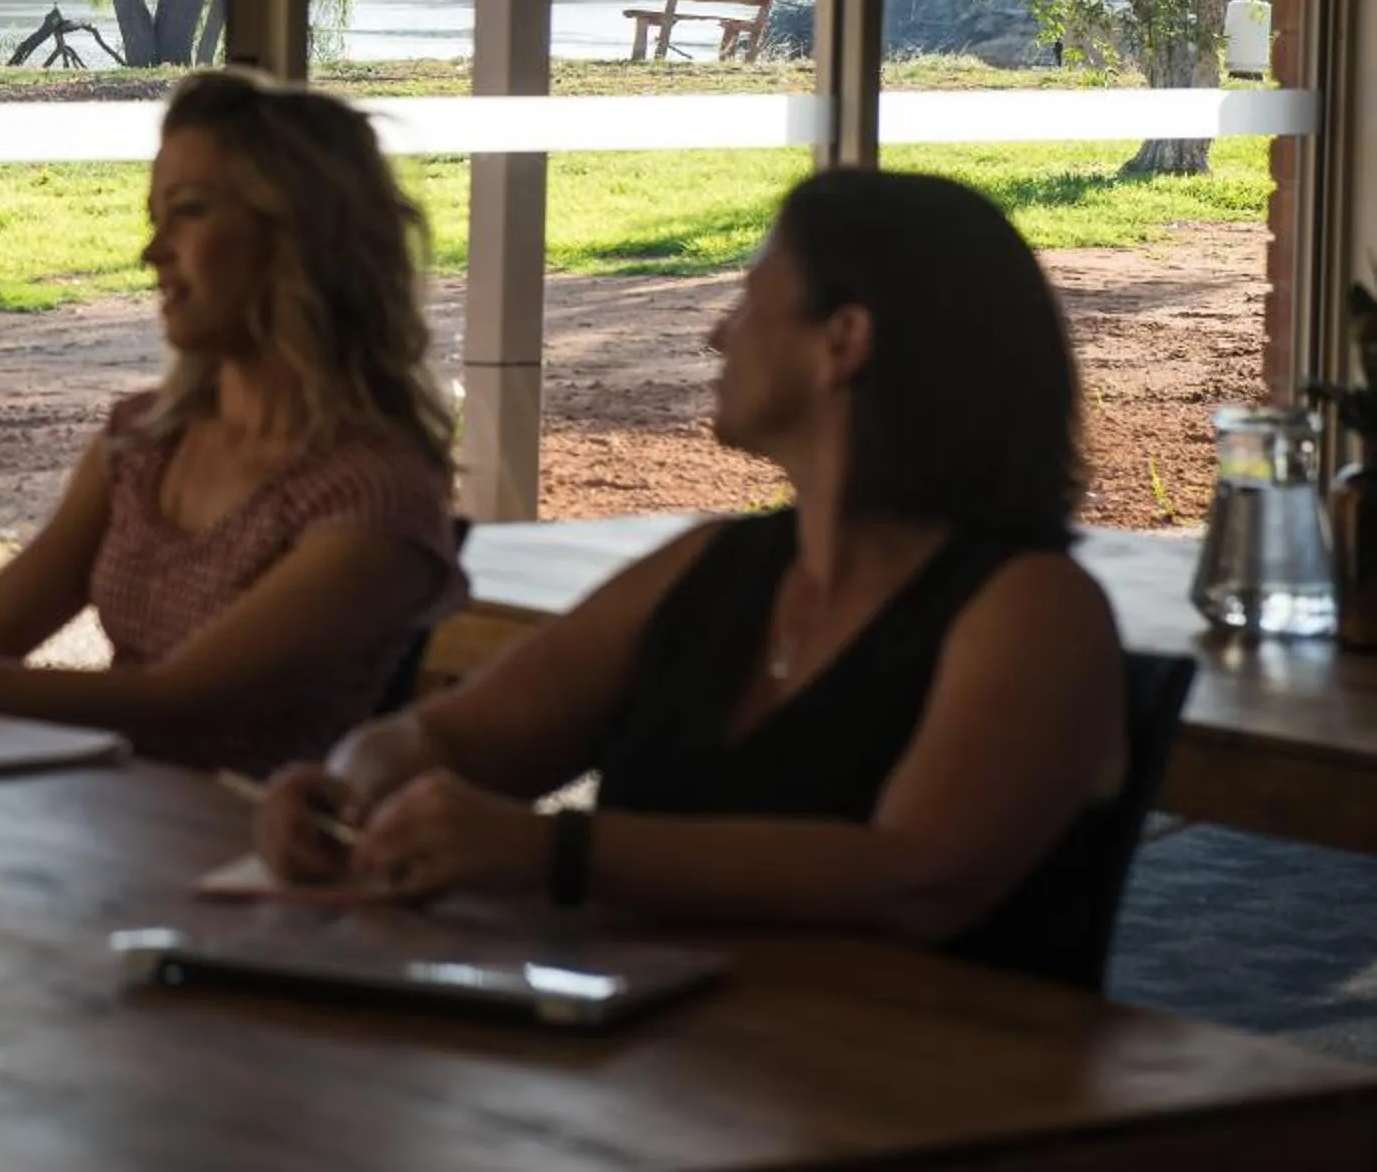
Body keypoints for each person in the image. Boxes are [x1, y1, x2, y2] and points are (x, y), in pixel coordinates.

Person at [254, 169, 1131, 987]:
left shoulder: (1032, 607)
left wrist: (555, 853)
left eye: (749, 299)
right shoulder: (714, 567)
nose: (718, 332)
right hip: (675, 1063)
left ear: (843, 342)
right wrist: (351, 786)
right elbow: (450, 740)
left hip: (928, 1099)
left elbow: (912, 877)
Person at [0, 69, 465, 778]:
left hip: (252, 858)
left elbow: (178, 701)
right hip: (102, 828)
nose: (152, 253)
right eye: (155, 217)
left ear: (300, 236)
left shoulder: (375, 498)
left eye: (187, 213)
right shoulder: (146, 442)